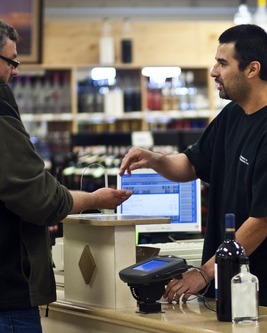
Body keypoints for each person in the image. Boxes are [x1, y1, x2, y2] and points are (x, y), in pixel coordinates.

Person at [119, 24, 267, 311]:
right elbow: (190, 164)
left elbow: (262, 222)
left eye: (222, 63)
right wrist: (156, 159)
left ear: (252, 69)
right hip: (225, 282)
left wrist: (204, 272)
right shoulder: (233, 114)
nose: (213, 71)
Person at [0, 19, 132, 332]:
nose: (16, 70)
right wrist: (95, 199)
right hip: (7, 294)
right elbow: (40, 199)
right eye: (11, 61)